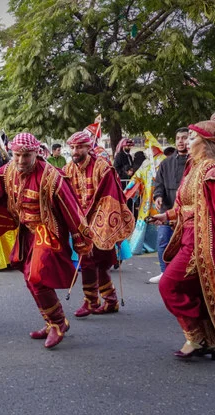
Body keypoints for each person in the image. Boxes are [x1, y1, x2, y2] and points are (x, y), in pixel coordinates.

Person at [0, 133, 93, 349]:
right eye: (17, 155)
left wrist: (81, 239)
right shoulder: (7, 171)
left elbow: (71, 208)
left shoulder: (51, 177)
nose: (20, 161)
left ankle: (57, 324)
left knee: (36, 276)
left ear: (36, 153)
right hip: (26, 231)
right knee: (29, 278)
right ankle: (52, 321)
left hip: (48, 230)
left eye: (26, 156)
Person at [152, 120, 215, 360]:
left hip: (204, 241)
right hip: (188, 236)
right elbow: (184, 204)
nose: (186, 142)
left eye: (192, 138)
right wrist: (165, 215)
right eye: (186, 137)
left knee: (168, 285)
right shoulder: (193, 167)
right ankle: (208, 342)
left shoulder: (214, 171)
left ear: (206, 142)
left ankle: (195, 336)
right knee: (194, 290)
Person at [63, 131, 134, 317]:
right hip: (80, 222)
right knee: (94, 263)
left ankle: (91, 301)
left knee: (93, 262)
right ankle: (110, 300)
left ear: (88, 147)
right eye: (72, 147)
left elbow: (110, 196)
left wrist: (97, 223)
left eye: (79, 147)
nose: (75, 151)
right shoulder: (68, 168)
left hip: (101, 220)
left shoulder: (102, 167)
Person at [150, 127, 189, 283]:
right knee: (163, 240)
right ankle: (164, 272)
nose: (181, 141)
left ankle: (185, 275)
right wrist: (158, 196)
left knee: (185, 244)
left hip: (187, 210)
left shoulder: (195, 162)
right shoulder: (166, 163)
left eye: (184, 138)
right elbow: (158, 183)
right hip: (167, 207)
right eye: (178, 138)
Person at [124, 136, 165, 255]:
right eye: (147, 147)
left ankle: (157, 245)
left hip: (160, 196)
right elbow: (137, 176)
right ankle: (139, 246)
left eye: (150, 147)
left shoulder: (163, 160)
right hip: (147, 197)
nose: (148, 150)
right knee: (143, 219)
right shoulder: (147, 162)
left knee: (158, 220)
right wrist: (128, 189)